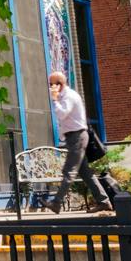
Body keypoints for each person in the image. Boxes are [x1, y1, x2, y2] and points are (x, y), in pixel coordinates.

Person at [48, 71, 112, 214]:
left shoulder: (68, 96)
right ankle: (104, 202)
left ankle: (56, 203)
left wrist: (54, 99)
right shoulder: (66, 96)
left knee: (68, 171)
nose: (50, 87)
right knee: (85, 172)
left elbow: (62, 114)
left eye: (51, 84)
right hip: (74, 137)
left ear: (59, 84)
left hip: (77, 136)